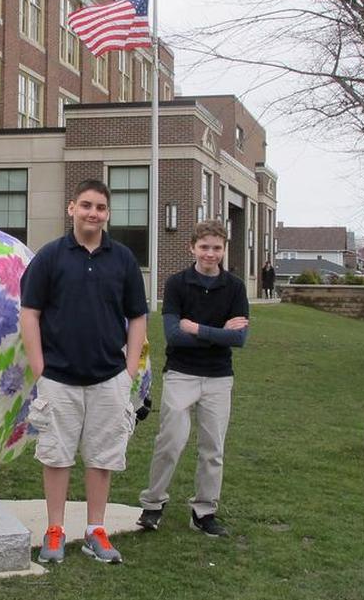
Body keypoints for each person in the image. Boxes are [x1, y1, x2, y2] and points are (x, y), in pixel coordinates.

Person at [19, 179, 148, 565]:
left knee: (102, 457)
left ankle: (96, 531)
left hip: (109, 378)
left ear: (108, 214)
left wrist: (128, 370)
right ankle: (55, 530)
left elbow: (137, 316)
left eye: (101, 208)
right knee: (56, 456)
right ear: (71, 208)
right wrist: (40, 368)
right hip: (58, 378)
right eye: (87, 205)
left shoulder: (122, 259)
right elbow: (30, 314)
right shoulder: (50, 257)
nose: (94, 213)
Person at [137, 220, 249, 538]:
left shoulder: (235, 287)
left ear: (224, 250)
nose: (210, 254)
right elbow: (173, 336)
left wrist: (197, 329)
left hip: (218, 378)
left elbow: (239, 340)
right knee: (170, 442)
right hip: (181, 374)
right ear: (192, 248)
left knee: (213, 448)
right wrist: (221, 332)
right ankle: (153, 505)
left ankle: (204, 511)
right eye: (204, 247)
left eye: (216, 248)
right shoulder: (177, 284)